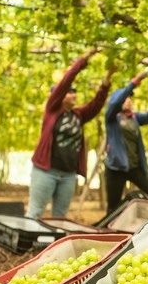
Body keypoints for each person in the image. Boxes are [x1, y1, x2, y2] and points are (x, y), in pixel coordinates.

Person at [26, 49, 115, 219]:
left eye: (74, 92)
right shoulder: (52, 110)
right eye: (69, 92)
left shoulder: (78, 115)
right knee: (35, 212)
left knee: (60, 218)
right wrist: (83, 60)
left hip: (68, 175)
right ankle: (27, 237)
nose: (73, 95)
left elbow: (96, 104)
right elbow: (65, 81)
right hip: (46, 172)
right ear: (59, 96)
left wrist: (108, 77)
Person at [103, 71, 148, 216]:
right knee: (113, 208)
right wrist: (135, 81)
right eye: (126, 98)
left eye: (130, 98)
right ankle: (110, 228)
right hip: (116, 169)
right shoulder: (112, 118)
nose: (129, 100)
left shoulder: (134, 118)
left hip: (135, 167)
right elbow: (115, 103)